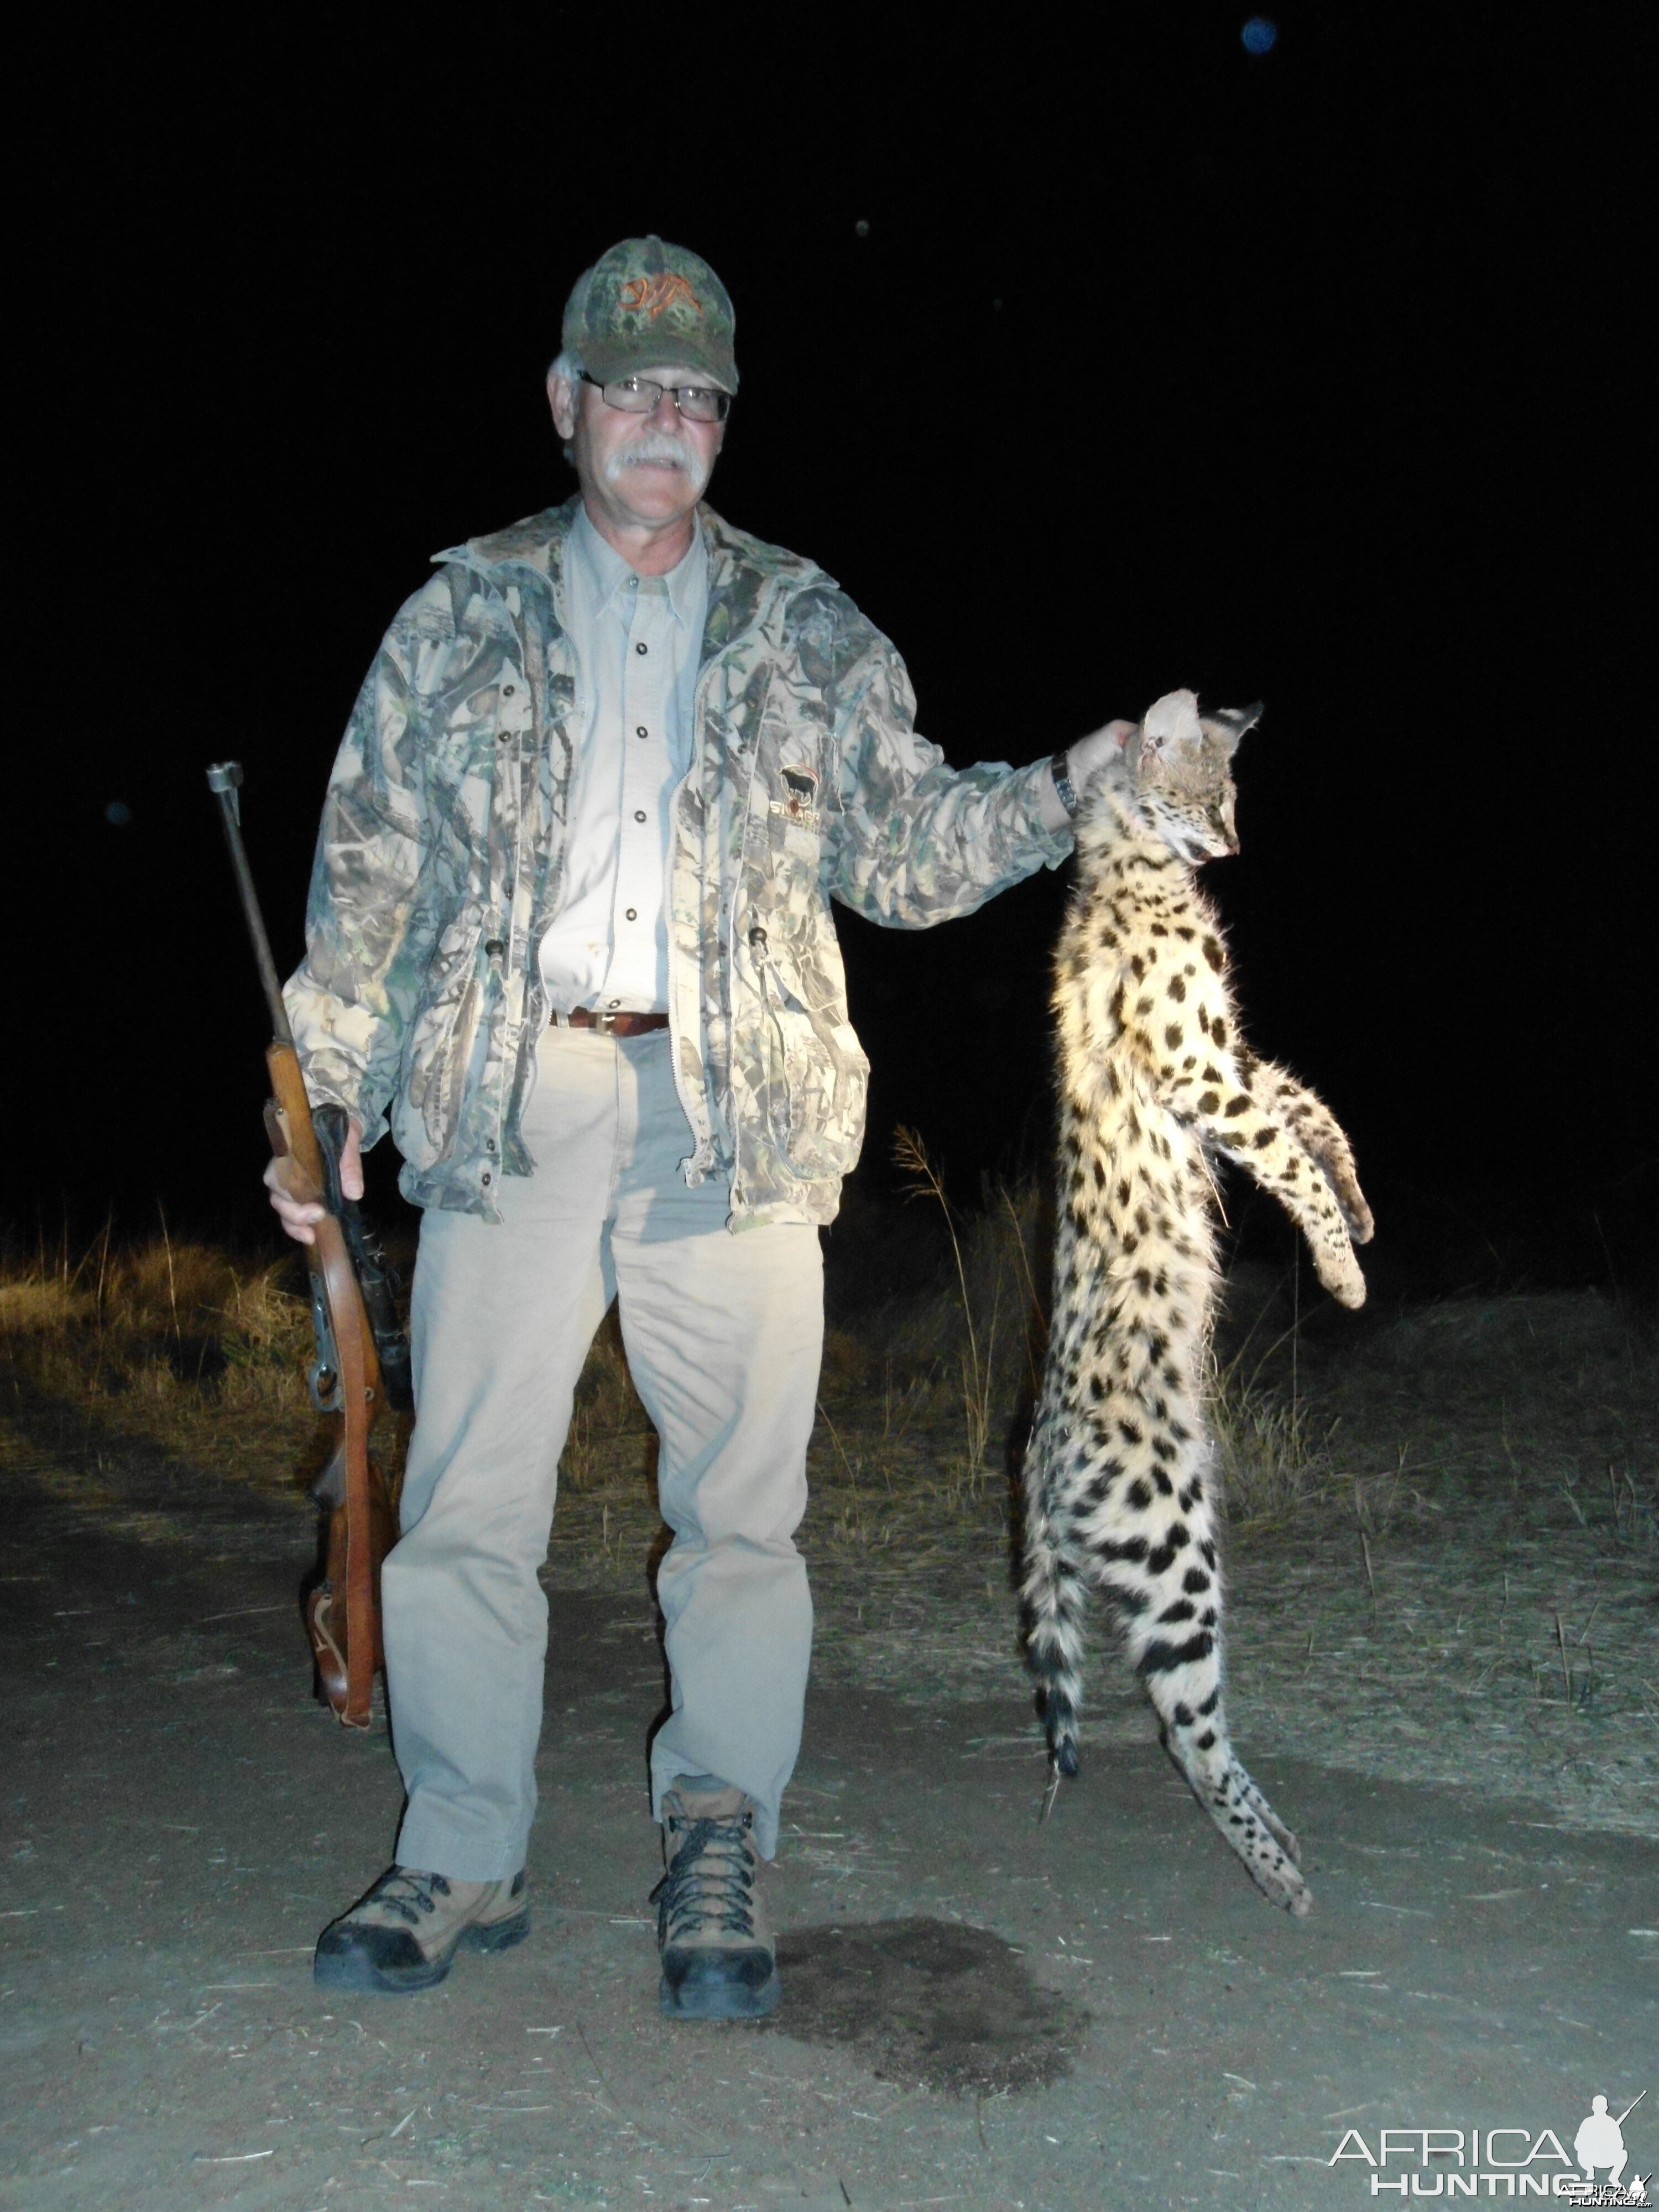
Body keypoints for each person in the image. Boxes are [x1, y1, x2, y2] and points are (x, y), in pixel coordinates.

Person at [267, 233, 1130, 2020]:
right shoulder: (461, 613)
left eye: (698, 397)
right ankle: (463, 1846)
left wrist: (1067, 794)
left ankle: (720, 1832)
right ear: (566, 402)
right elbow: (369, 884)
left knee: (743, 1512)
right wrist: (321, 1097)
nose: (663, 423)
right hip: (509, 1103)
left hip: (733, 1112)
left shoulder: (811, 625)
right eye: (632, 388)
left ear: (722, 426)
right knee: (461, 1509)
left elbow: (902, 849)